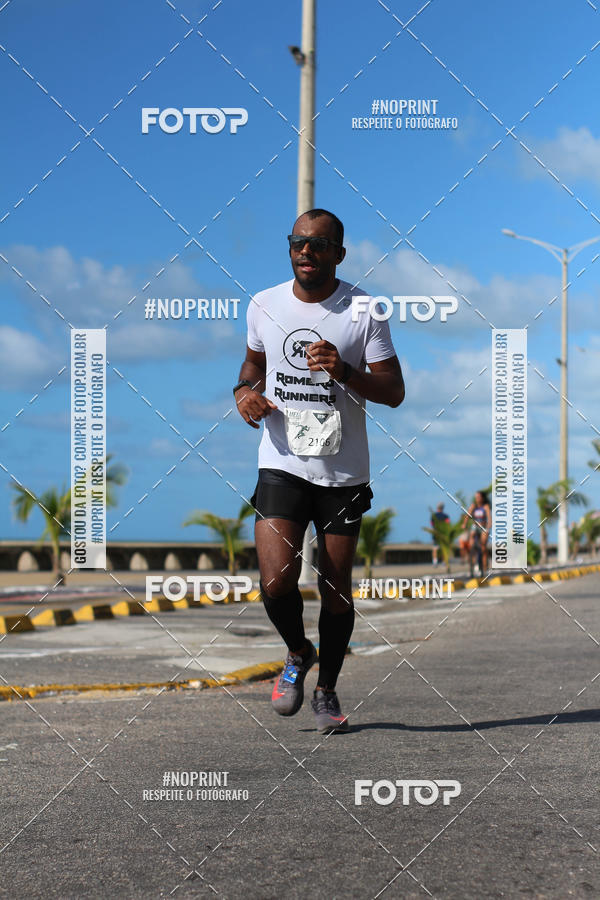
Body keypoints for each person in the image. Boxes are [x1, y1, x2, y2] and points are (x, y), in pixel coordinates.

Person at [233, 208, 404, 733]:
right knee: (276, 580)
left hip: (343, 473)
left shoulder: (364, 311)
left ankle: (326, 689)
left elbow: (393, 393)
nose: (306, 252)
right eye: (298, 243)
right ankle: (297, 651)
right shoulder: (264, 303)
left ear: (339, 253)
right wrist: (243, 393)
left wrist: (344, 370)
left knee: (335, 585)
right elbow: (253, 365)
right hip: (282, 462)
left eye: (319, 244)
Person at [462, 490, 492, 576]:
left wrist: (489, 526)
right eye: (476, 497)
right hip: (475, 527)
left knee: (483, 547)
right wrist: (464, 524)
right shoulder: (473, 506)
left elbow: (489, 518)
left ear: (482, 498)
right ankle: (472, 554)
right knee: (471, 538)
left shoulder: (485, 506)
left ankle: (484, 567)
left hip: (483, 527)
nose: (477, 499)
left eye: (478, 497)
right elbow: (468, 516)